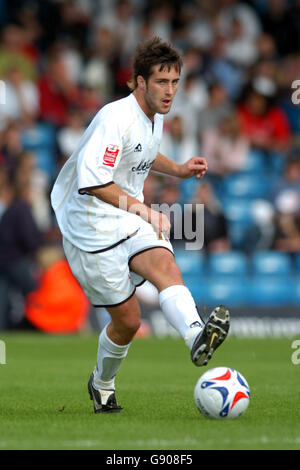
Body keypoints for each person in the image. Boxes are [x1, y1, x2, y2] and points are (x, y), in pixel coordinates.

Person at [50, 37, 230, 414]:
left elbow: (144, 152)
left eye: (175, 82)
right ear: (139, 82)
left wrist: (178, 169)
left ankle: (197, 335)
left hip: (125, 215)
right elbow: (95, 181)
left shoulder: (155, 117)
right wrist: (146, 211)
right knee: (128, 321)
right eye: (162, 82)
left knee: (165, 264)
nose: (170, 91)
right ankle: (101, 383)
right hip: (88, 229)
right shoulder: (113, 118)